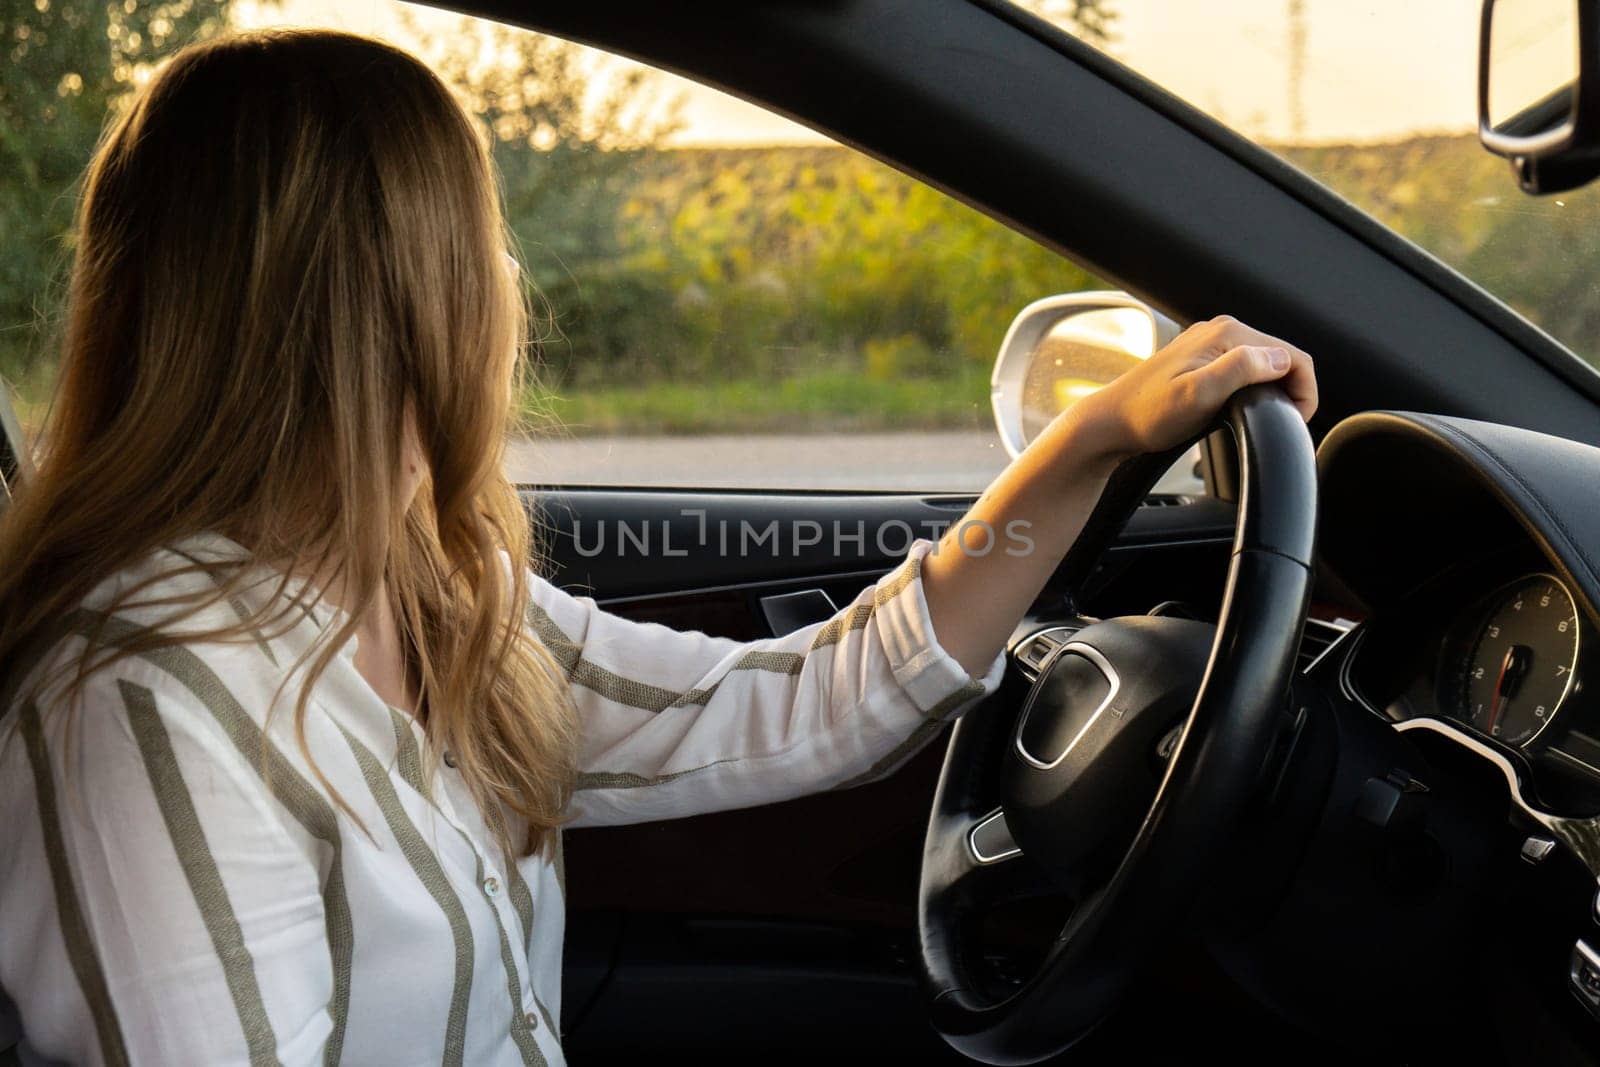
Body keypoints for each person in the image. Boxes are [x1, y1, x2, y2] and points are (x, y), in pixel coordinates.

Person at [0, 29, 1317, 1066]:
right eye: (482, 244)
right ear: (400, 297)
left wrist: (1086, 443)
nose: (508, 289)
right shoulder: (148, 701)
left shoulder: (434, 594)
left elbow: (799, 708)